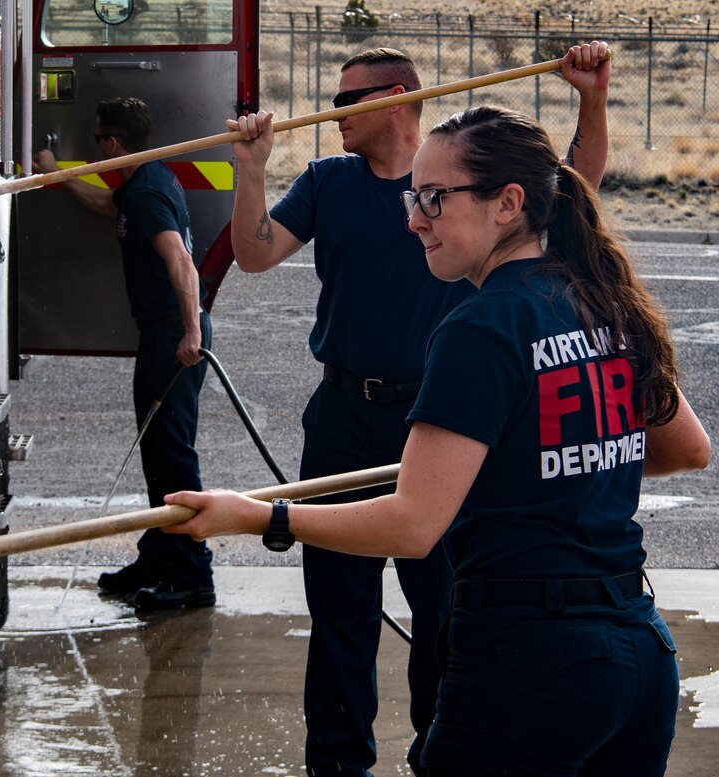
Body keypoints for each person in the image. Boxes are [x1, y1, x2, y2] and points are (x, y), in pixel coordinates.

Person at [165, 104, 712, 776]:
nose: (412, 217)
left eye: (433, 198)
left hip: (530, 664)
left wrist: (256, 515)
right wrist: (540, 462)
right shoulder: (602, 299)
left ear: (508, 203)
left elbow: (415, 523)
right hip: (639, 653)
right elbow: (685, 447)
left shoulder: (480, 327)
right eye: (411, 195)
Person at [221, 44, 612, 776]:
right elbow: (253, 252)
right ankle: (337, 766)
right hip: (341, 411)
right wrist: (249, 170)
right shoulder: (328, 182)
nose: (333, 114)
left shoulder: (469, 191)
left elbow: (574, 186)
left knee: (443, 612)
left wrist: (590, 100)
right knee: (340, 608)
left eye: (347, 101)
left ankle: (441, 755)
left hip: (439, 422)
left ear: (396, 100)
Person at [33, 97, 215, 611]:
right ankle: (159, 554)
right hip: (164, 333)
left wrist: (189, 330)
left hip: (172, 337)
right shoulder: (140, 182)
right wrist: (58, 177)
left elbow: (180, 259)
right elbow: (102, 205)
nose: (97, 147)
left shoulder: (148, 194)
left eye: (98, 140)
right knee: (158, 454)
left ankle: (193, 577)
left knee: (172, 458)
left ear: (112, 143)